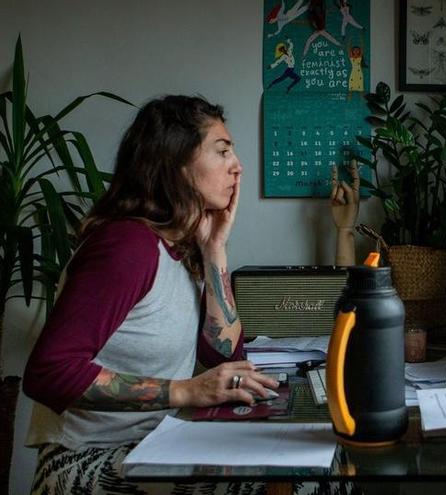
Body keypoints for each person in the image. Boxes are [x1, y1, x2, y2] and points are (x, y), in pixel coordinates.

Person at [23, 95, 277, 494]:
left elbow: (225, 357)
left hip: (152, 444)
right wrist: (186, 391)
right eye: (222, 151)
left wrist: (215, 251)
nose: (237, 166)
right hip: (84, 462)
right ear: (177, 165)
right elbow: (48, 373)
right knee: (287, 482)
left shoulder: (178, 249)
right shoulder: (127, 246)